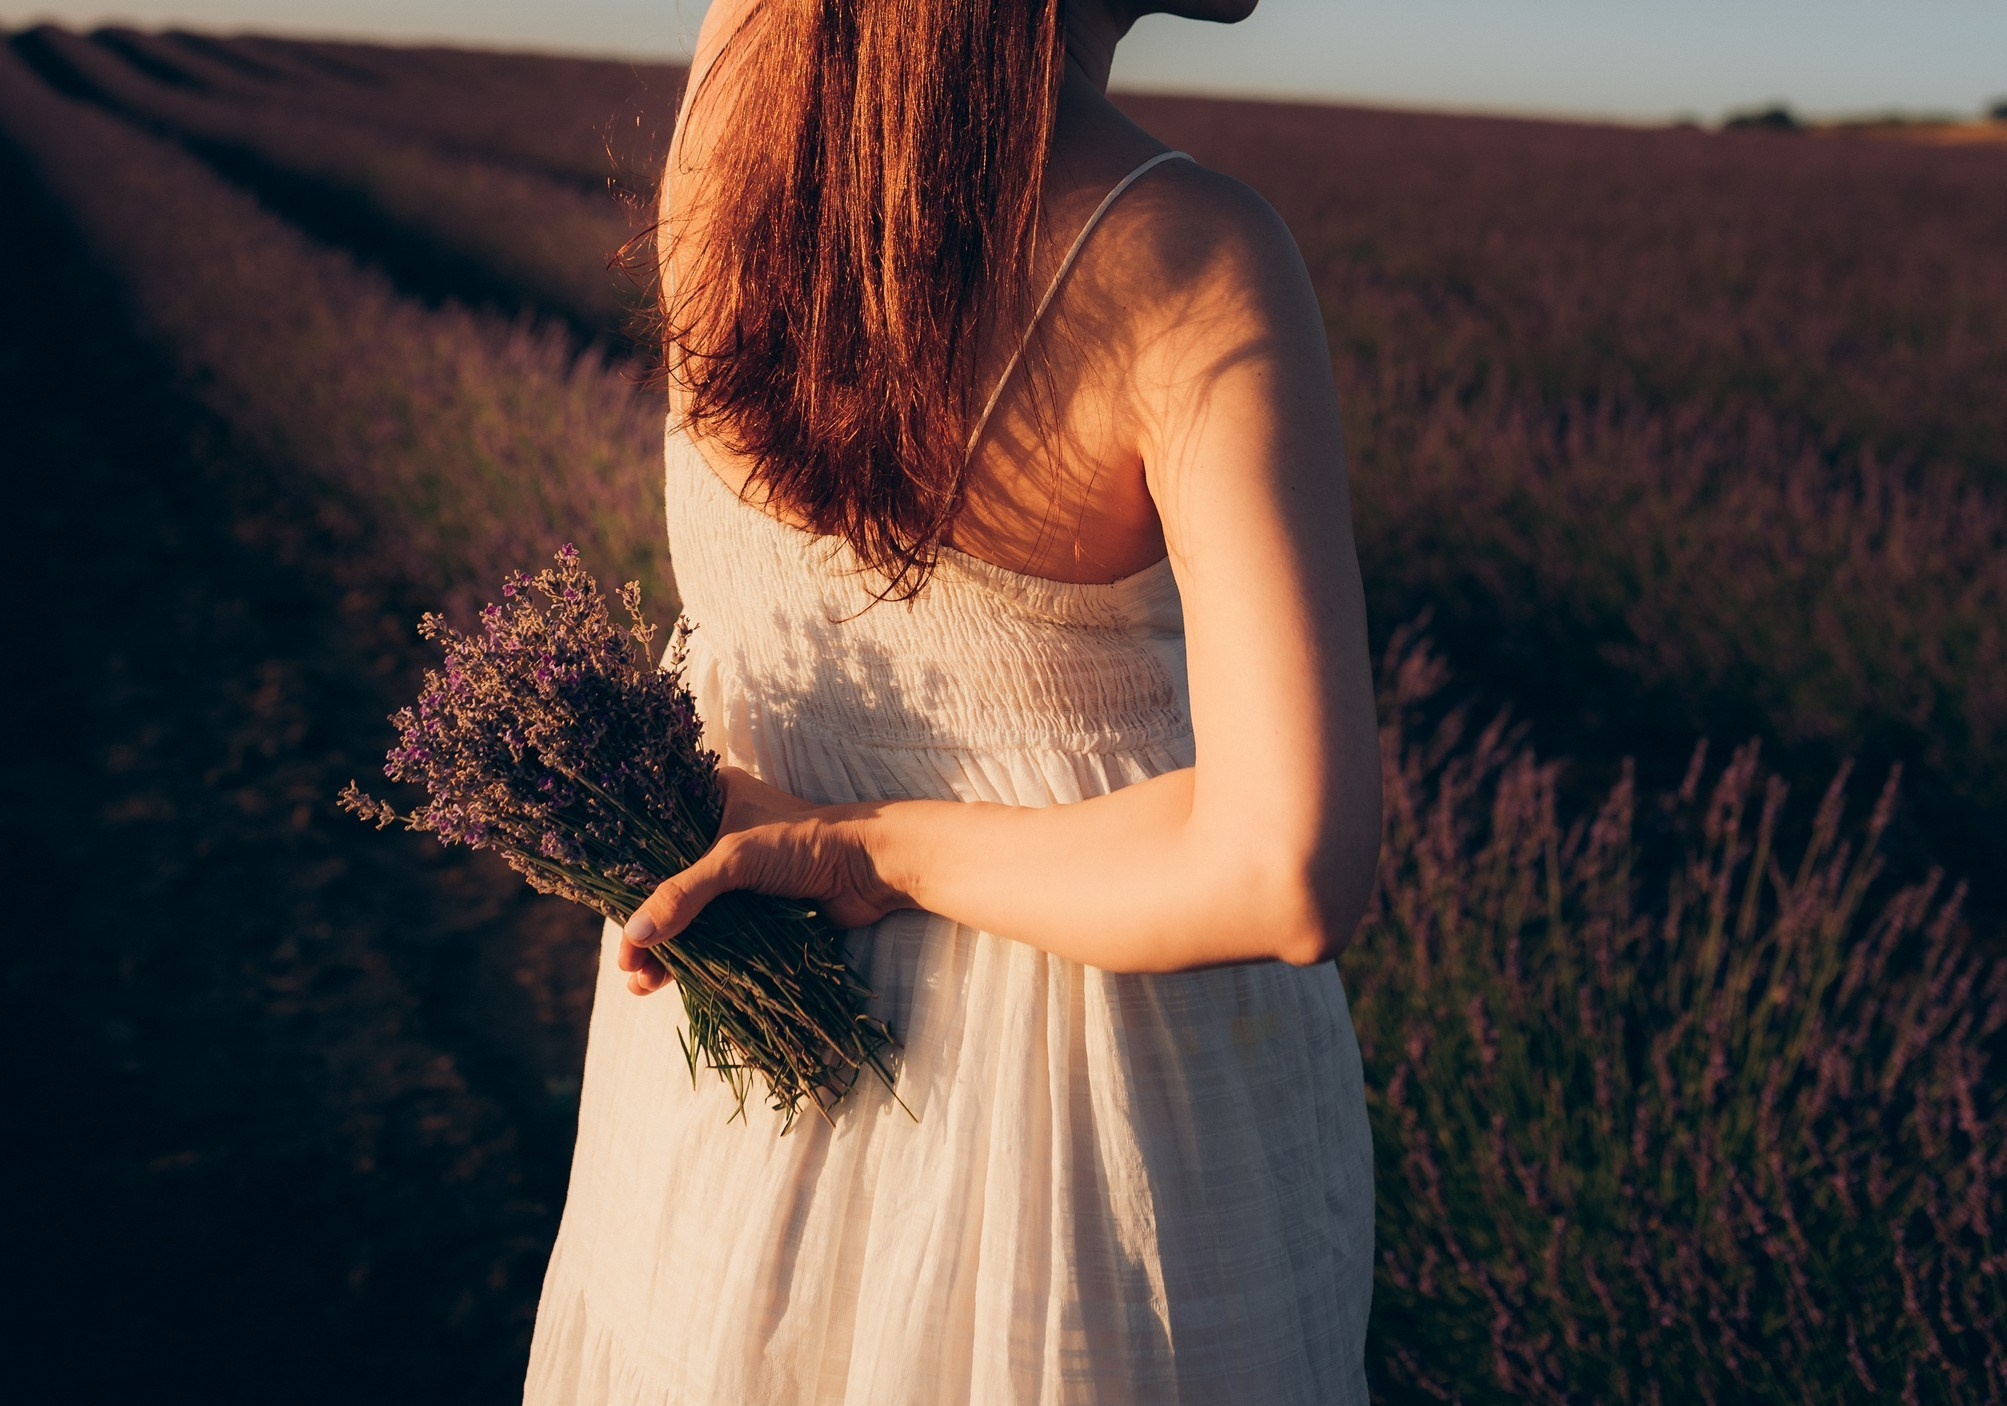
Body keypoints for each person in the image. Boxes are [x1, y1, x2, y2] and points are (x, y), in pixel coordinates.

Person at [523, 1, 1382, 1401]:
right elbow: (1283, 867)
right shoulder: (1192, 258)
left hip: (731, 1058)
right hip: (1086, 1145)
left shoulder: (747, 58)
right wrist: (870, 847)